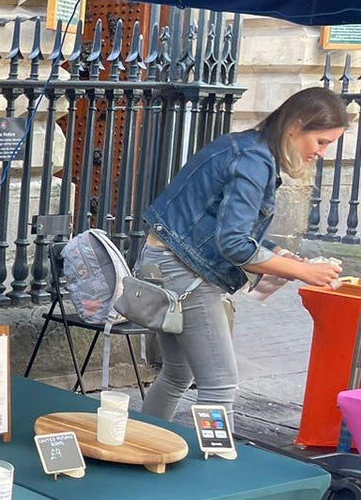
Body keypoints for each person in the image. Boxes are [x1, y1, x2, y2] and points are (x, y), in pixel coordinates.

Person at [140, 86, 349, 421]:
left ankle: (143, 444)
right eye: (321, 142)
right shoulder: (255, 161)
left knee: (178, 374)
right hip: (183, 273)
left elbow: (224, 229)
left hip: (164, 263)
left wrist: (282, 256)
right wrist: (303, 272)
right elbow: (234, 243)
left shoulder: (246, 147)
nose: (322, 153)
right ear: (295, 125)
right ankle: (214, 470)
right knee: (220, 384)